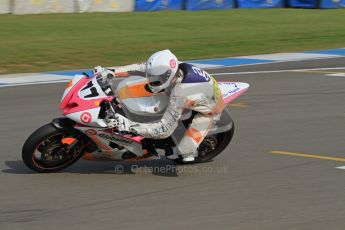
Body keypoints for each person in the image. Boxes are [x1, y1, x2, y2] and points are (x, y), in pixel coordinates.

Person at [93, 49, 225, 162]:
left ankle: (185, 148)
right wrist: (111, 71)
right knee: (130, 91)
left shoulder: (180, 94)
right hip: (193, 91)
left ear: (168, 76)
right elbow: (138, 68)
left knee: (184, 151)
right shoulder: (169, 67)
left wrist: (127, 126)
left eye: (155, 80)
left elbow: (164, 130)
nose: (151, 81)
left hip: (209, 109)